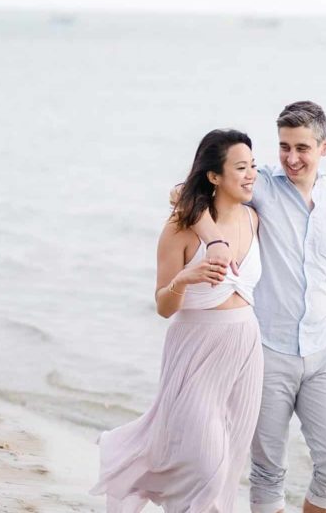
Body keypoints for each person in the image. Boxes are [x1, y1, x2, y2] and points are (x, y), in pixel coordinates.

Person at [190, 101, 326, 513]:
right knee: (269, 472)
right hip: (266, 353)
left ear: (324, 148)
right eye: (284, 146)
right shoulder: (261, 185)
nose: (291, 157)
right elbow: (185, 193)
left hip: (322, 353)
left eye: (302, 147)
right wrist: (214, 240)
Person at [90, 129, 264, 513]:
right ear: (214, 176)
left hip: (246, 354)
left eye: (253, 165)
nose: (251, 174)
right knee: (205, 467)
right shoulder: (179, 229)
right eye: (241, 167)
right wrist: (183, 279)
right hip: (196, 353)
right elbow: (163, 306)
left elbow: (181, 189)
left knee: (229, 467)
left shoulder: (254, 219)